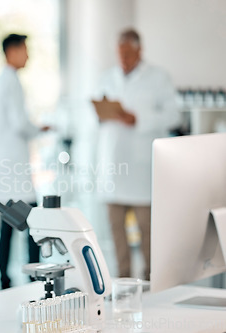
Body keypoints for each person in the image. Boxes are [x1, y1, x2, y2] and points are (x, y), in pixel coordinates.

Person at [94, 28, 180, 281]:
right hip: (113, 166)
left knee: (147, 233)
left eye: (128, 53)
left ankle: (152, 281)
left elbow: (173, 116)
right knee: (117, 236)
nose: (123, 58)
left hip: (142, 171)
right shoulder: (106, 78)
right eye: (119, 54)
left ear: (139, 50)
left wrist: (139, 119)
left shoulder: (159, 78)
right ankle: (122, 282)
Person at [0, 33, 49, 289]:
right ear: (13, 51)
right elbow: (21, 123)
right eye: (25, 49)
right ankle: (34, 275)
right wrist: (40, 129)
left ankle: (4, 277)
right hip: (13, 166)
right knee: (32, 220)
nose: (28, 55)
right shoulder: (11, 82)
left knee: (8, 223)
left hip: (3, 162)